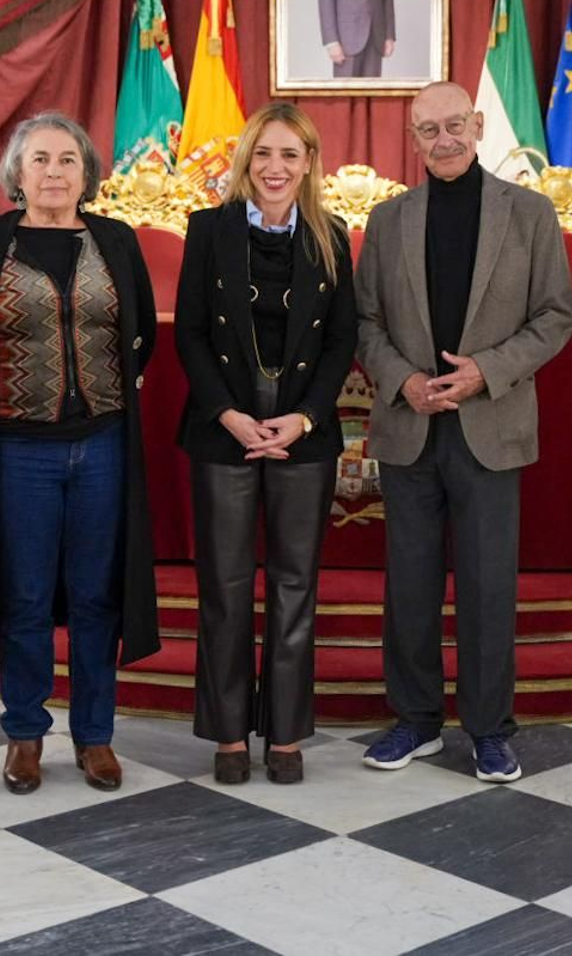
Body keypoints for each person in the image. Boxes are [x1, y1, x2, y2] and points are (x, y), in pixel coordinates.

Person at [355, 81, 572, 782]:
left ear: (478, 125)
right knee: (410, 584)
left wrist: (485, 370)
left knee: (487, 585)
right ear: (412, 137)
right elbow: (365, 323)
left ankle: (488, 730)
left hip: (491, 422)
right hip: (410, 425)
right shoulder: (387, 219)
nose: (443, 139)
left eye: (455, 124)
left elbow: (554, 316)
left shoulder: (531, 213)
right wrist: (404, 381)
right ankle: (416, 720)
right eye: (429, 129)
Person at [0, 111, 158, 796]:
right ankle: (25, 734)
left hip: (103, 445)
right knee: (25, 595)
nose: (55, 172)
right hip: (18, 451)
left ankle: (95, 737)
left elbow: (141, 332)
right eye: (40, 160)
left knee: (95, 594)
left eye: (67, 159)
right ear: (17, 174)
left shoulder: (117, 241)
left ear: (86, 172)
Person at [174, 103, 357, 785]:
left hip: (302, 433)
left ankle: (285, 732)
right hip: (225, 428)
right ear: (245, 162)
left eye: (289, 154)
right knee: (224, 587)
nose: (275, 167)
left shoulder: (332, 236)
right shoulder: (207, 230)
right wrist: (227, 414)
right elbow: (189, 332)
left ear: (308, 162)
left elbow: (343, 339)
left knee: (293, 585)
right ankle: (227, 733)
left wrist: (305, 418)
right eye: (262, 154)